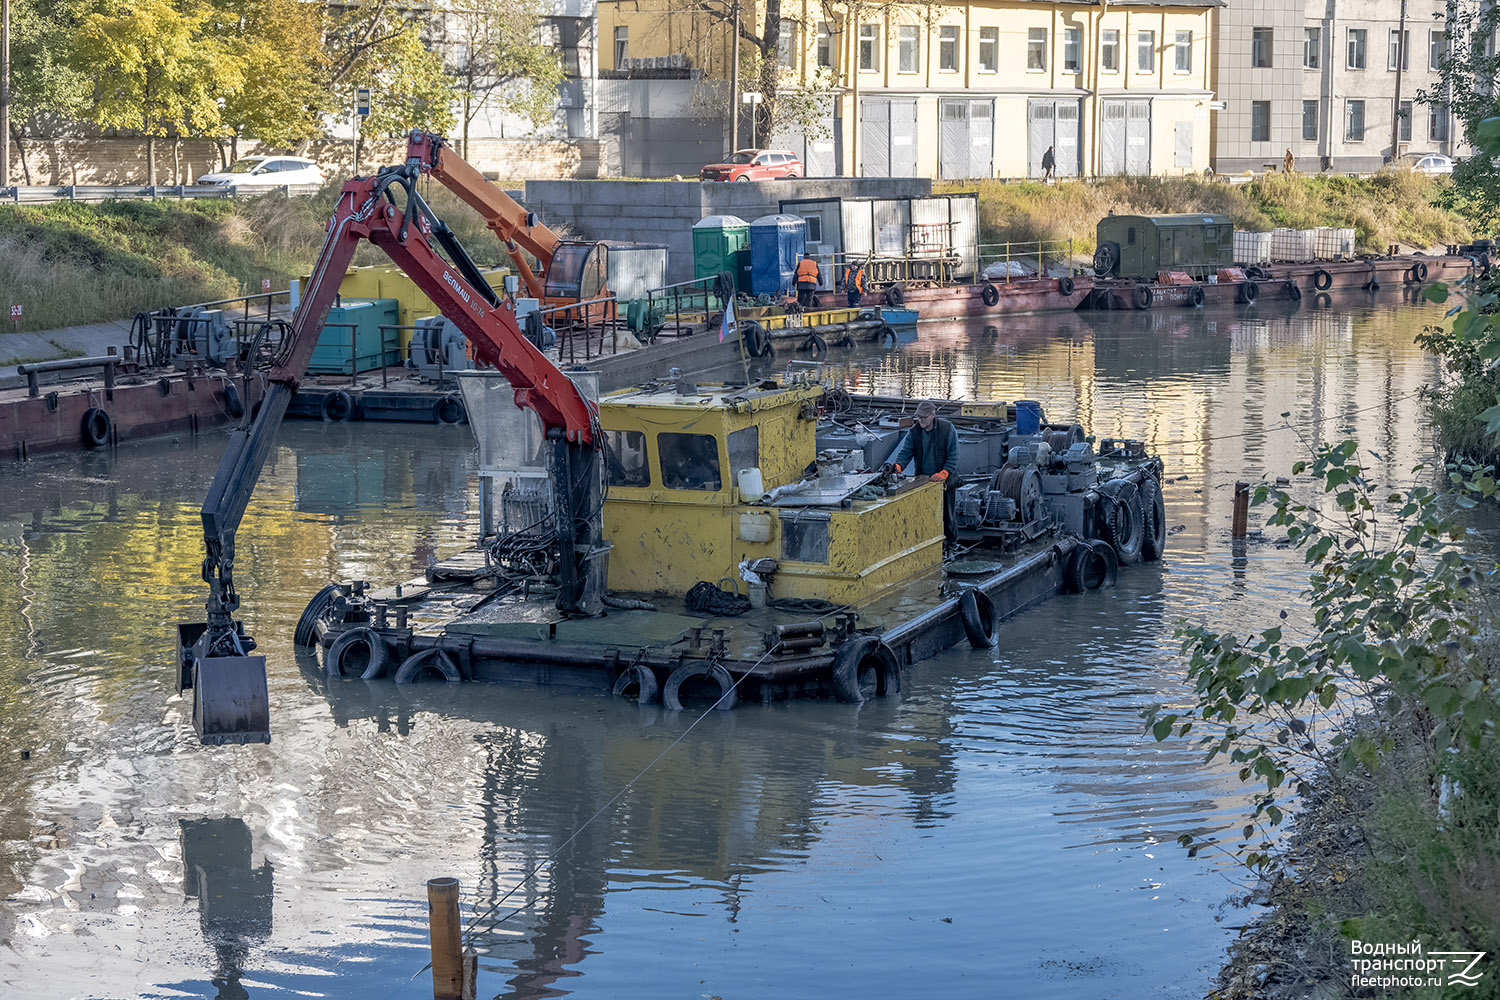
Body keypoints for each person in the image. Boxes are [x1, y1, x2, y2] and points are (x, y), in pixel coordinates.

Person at [884, 399, 960, 548]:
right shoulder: (915, 432)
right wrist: (898, 467)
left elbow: (954, 455)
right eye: (918, 417)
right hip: (924, 480)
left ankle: (951, 544)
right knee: (926, 513)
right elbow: (906, 452)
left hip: (945, 480)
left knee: (947, 514)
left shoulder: (947, 428)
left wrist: (944, 473)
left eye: (924, 418)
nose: (921, 420)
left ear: (933, 415)